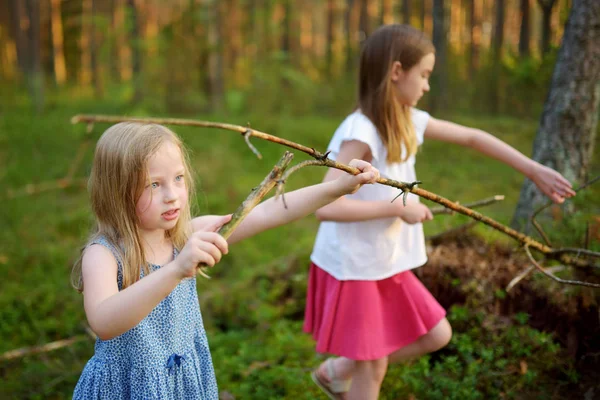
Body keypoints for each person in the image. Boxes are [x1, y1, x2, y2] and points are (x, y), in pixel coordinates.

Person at [304, 24, 575, 400]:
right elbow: (324, 206)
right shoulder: (360, 132)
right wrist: (397, 210)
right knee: (374, 366)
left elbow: (472, 137)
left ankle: (337, 371)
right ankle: (345, 372)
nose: (428, 85)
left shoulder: (407, 118)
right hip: (355, 266)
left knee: (437, 334)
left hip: (384, 262)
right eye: (425, 75)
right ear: (397, 71)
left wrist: (533, 170)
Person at [71, 121, 380, 400]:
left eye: (178, 178)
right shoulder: (104, 254)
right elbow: (104, 322)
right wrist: (176, 270)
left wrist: (338, 187)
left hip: (180, 383)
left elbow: (269, 212)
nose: (172, 195)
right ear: (117, 191)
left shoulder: (182, 237)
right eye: (154, 184)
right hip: (127, 387)